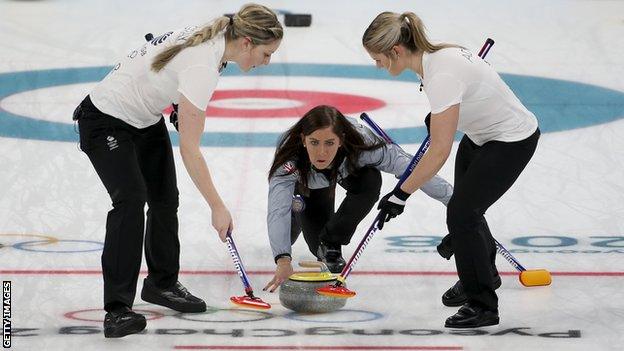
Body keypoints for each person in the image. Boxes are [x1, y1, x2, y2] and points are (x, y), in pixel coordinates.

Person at [73, 4, 283, 338]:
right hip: (104, 121)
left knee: (164, 198)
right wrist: (217, 206)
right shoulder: (205, 62)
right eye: (266, 53)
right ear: (245, 43)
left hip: (143, 117)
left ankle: (161, 283)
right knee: (130, 200)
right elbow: (190, 150)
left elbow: (164, 68)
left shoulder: (216, 40)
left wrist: (175, 104)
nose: (267, 61)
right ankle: (117, 310)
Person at [362, 12, 540, 328]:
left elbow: (440, 149)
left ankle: (483, 305)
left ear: (396, 52)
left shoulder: (440, 73)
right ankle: (484, 273)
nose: (378, 66)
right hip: (481, 136)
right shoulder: (435, 58)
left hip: (511, 140)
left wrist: (400, 194)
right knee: (466, 210)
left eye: (379, 59)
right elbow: (461, 103)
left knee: (462, 213)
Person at [262, 105, 454, 293]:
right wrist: (283, 260)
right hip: (307, 185)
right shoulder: (289, 156)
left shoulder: (362, 144)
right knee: (301, 235)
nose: (321, 152)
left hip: (348, 172)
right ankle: (297, 216)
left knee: (370, 180)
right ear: (304, 140)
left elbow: (414, 169)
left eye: (329, 143)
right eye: (314, 142)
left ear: (341, 140)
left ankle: (331, 242)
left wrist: (454, 202)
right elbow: (278, 209)